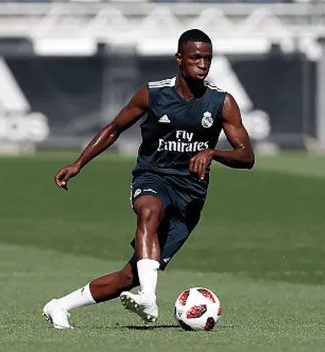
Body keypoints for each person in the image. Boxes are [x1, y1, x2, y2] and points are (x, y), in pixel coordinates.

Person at [42, 28, 255, 329]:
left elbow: (247, 157)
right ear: (179, 59)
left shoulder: (222, 103)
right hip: (153, 176)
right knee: (149, 209)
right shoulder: (153, 94)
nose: (202, 64)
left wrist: (213, 153)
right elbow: (114, 128)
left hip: (190, 194)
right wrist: (79, 164)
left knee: (127, 277)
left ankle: (59, 305)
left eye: (207, 58)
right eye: (196, 58)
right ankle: (149, 297)